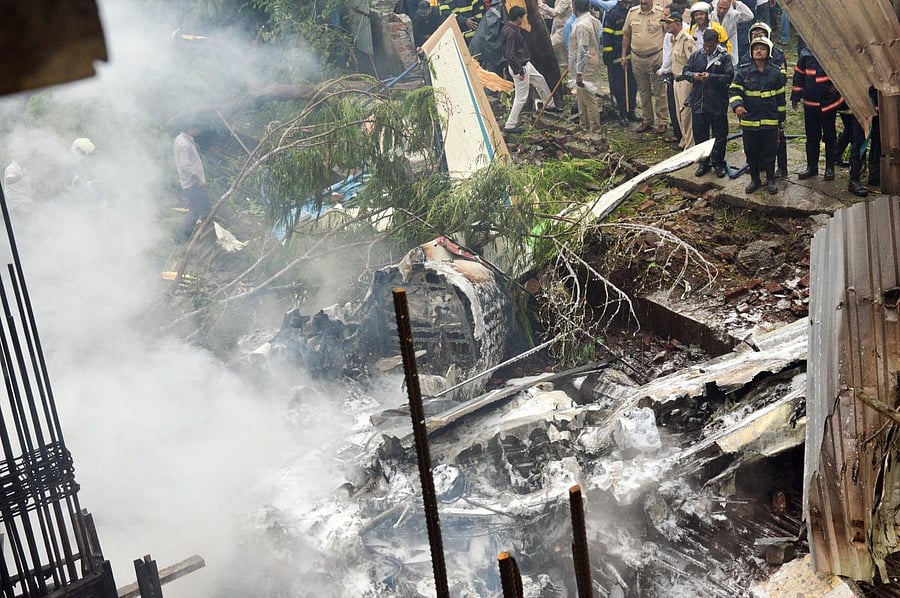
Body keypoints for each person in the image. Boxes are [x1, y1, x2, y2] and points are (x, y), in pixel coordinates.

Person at [730, 36, 785, 194]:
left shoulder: (775, 73)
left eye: (762, 48)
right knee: (751, 152)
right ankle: (755, 180)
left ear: (768, 52)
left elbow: (781, 99)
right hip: (750, 121)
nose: (758, 51)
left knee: (770, 151)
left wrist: (780, 121)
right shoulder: (743, 71)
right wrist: (737, 105)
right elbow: (734, 90)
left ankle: (770, 180)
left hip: (770, 120)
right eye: (755, 48)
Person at [679, 28, 733, 177]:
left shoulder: (725, 58)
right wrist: (694, 76)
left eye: (711, 46)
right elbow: (685, 71)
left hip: (718, 102)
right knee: (700, 134)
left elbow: (728, 77)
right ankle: (704, 162)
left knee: (720, 135)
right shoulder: (696, 55)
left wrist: (711, 76)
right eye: (706, 46)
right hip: (699, 102)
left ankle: (718, 163)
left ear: (716, 43)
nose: (708, 49)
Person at [501, 6, 561, 133]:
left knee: (540, 80)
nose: (524, 20)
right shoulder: (512, 32)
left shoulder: (509, 28)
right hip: (520, 66)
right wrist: (519, 71)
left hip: (525, 64)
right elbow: (509, 54)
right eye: (523, 17)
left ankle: (549, 105)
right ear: (518, 18)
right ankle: (510, 125)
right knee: (521, 97)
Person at [791, 38, 841, 181]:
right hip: (810, 103)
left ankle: (830, 168)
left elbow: (843, 72)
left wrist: (838, 87)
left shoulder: (834, 53)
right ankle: (812, 167)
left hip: (828, 103)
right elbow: (799, 75)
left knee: (830, 135)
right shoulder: (805, 54)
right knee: (812, 136)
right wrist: (795, 96)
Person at [742, 22, 787, 177]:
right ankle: (758, 166)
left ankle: (781, 167)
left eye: (761, 33)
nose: (758, 35)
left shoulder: (778, 54)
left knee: (777, 140)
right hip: (753, 111)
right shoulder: (746, 56)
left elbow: (782, 78)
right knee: (754, 142)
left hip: (771, 109)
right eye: (754, 33)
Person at [621, 0, 668, 134]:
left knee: (660, 91)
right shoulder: (632, 13)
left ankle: (663, 122)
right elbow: (626, 35)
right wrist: (623, 56)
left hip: (656, 57)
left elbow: (668, 34)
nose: (643, 2)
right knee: (643, 91)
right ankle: (647, 120)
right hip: (637, 58)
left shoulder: (660, 13)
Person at [603, 0, 640, 125]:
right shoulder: (612, 14)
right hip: (617, 57)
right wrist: (609, 57)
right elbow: (607, 37)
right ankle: (622, 113)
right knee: (619, 86)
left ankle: (631, 111)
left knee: (632, 85)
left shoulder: (634, 11)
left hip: (632, 55)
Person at [173, 124, 212, 243]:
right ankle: (179, 239)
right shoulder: (185, 145)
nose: (197, 130)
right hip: (193, 184)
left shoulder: (180, 139)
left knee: (206, 207)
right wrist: (198, 180)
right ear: (189, 129)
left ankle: (206, 233)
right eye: (195, 128)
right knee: (195, 210)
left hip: (190, 182)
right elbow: (185, 166)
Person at [570, 0, 603, 131]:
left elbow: (583, 50)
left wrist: (579, 72)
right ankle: (583, 124)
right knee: (581, 97)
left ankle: (595, 128)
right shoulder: (592, 20)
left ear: (575, 7)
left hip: (585, 65)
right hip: (588, 61)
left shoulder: (582, 25)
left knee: (589, 98)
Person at [666, 8, 696, 148]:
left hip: (685, 80)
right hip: (676, 79)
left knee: (686, 115)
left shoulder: (687, 40)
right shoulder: (675, 40)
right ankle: (684, 140)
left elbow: (693, 61)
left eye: (669, 23)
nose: (667, 26)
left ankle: (690, 145)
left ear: (677, 24)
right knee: (679, 114)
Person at [712, 0, 753, 64]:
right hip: (714, 51)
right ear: (716, 6)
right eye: (720, 7)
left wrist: (736, 3)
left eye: (725, 9)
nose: (721, 11)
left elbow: (750, 16)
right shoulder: (711, 15)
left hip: (731, 51)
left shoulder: (733, 15)